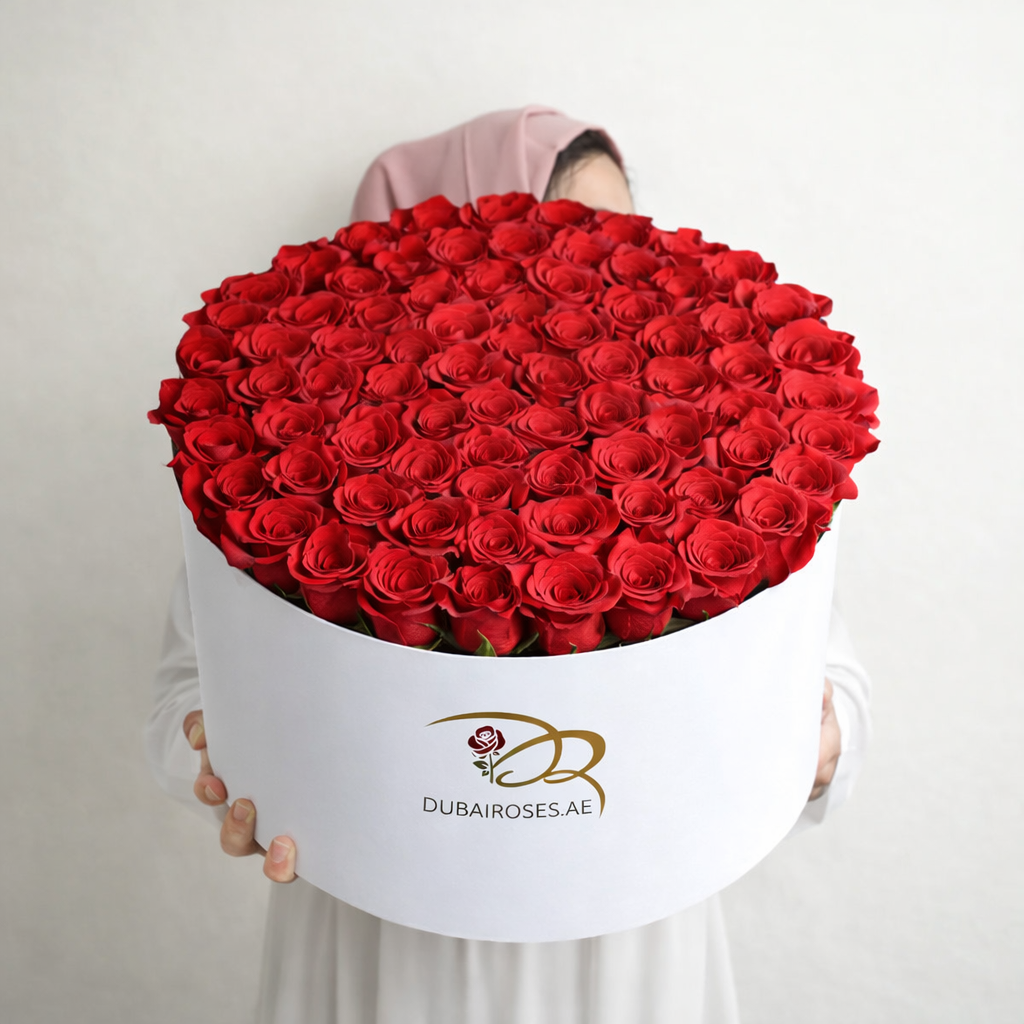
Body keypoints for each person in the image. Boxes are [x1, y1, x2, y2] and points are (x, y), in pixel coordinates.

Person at [147, 106, 872, 1024]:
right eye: (564, 241)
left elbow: (829, 671)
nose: (600, 277)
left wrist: (817, 741)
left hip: (632, 922)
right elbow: (182, 690)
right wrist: (224, 760)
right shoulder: (264, 494)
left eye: (619, 241)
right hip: (379, 921)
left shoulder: (697, 482)